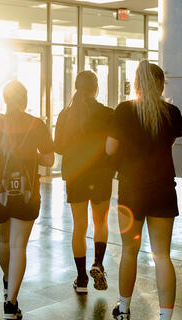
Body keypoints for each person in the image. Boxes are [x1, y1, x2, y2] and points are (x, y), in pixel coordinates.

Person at [106, 61, 182, 320]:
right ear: (161, 85)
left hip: (132, 189)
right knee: (162, 254)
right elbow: (169, 142)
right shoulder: (172, 112)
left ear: (136, 84)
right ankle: (164, 317)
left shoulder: (124, 110)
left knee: (129, 251)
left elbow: (110, 149)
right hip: (163, 187)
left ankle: (124, 309)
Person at [0, 80, 54, 320]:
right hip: (27, 192)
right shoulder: (37, 124)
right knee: (18, 244)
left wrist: (3, 160)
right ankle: (11, 304)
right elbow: (50, 160)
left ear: (4, 99)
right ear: (25, 100)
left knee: (3, 241)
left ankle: (7, 281)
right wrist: (31, 158)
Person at [54, 70, 114, 293]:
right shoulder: (108, 113)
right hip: (101, 175)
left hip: (76, 175)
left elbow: (58, 147)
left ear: (77, 87)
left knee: (79, 227)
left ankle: (81, 281)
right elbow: (113, 146)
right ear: (96, 88)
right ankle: (98, 264)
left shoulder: (65, 115)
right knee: (101, 223)